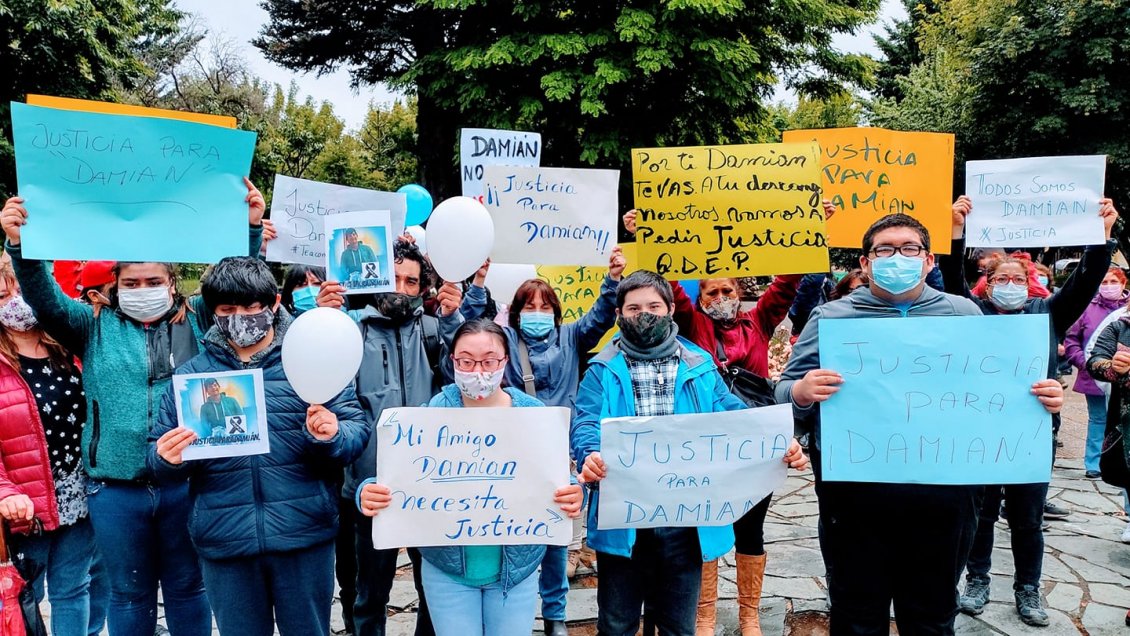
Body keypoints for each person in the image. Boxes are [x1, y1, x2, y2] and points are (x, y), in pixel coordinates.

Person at [776, 212, 1065, 634]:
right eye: (885, 250)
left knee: (930, 616)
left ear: (929, 260)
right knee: (856, 615)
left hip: (945, 499)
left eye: (909, 249)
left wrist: (1044, 398)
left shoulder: (963, 314)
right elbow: (783, 394)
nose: (898, 257)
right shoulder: (831, 317)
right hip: (855, 498)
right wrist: (800, 392)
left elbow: (1001, 389)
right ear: (865, 261)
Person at [1, 178, 266, 636]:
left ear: (171, 283)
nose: (143, 289)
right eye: (132, 282)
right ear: (116, 287)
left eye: (154, 281)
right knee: (128, 594)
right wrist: (20, 245)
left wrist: (250, 231)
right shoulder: (90, 325)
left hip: (186, 486)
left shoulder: (200, 319)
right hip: (114, 491)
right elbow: (43, 296)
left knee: (188, 588)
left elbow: (239, 286)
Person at [572, 270, 808, 636]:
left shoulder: (698, 365)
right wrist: (589, 454)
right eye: (633, 308)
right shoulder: (601, 369)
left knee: (679, 626)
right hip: (622, 524)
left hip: (684, 523)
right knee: (617, 624)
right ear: (618, 313)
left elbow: (729, 410)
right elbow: (586, 421)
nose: (644, 314)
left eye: (653, 305)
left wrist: (776, 439)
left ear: (670, 310)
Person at [149, 256, 368, 636]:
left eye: (253, 307)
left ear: (275, 303)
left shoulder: (311, 360)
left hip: (303, 534)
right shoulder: (191, 377)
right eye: (228, 309)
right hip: (225, 539)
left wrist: (332, 435)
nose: (242, 317)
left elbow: (355, 429)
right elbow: (157, 457)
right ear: (213, 313)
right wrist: (166, 458)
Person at [623, 206, 814, 635]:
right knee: (705, 522)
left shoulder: (760, 320)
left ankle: (749, 616)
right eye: (711, 293)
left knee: (751, 526)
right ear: (699, 298)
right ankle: (704, 614)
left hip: (755, 442)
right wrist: (650, 234)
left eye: (727, 291)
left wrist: (806, 229)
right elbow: (669, 278)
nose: (721, 299)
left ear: (739, 292)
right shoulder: (691, 324)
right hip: (706, 444)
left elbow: (787, 283)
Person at [945, 195, 1117, 627]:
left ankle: (1028, 588)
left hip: (1033, 429)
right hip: (978, 429)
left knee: (1028, 517)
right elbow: (951, 280)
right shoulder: (972, 312)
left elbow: (1086, 279)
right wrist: (955, 232)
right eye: (999, 277)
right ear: (987, 283)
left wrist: (1102, 237)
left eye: (1017, 278)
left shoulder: (1049, 313)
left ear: (1030, 283)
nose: (1009, 283)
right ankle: (978, 580)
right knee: (980, 512)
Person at [357, 318, 584, 636]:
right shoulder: (431, 414)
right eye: (466, 360)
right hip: (447, 572)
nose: (478, 370)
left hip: (515, 573)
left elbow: (560, 479)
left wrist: (575, 493)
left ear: (505, 361)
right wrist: (368, 492)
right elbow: (398, 475)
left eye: (489, 360)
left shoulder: (535, 415)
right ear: (453, 362)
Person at [459, 250, 625, 635]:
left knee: (554, 541)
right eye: (529, 306)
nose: (537, 311)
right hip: (510, 457)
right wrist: (479, 283)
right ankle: (505, 607)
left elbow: (601, 315)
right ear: (516, 312)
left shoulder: (571, 337)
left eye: (544, 305)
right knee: (510, 534)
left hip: (560, 456)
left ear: (555, 311)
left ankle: (555, 616)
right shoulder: (504, 342)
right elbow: (471, 331)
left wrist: (613, 279)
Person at [317, 239, 463, 636]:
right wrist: (324, 321)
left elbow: (465, 387)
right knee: (369, 593)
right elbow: (331, 395)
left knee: (433, 586)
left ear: (422, 288)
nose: (401, 287)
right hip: (371, 489)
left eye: (411, 281)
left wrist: (451, 320)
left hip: (430, 486)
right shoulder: (349, 330)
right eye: (393, 277)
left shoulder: (435, 330)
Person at [0, 262, 108, 636]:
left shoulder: (66, 342)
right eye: (2, 295)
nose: (15, 302)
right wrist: (5, 493)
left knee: (74, 589)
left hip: (78, 494)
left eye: (21, 292)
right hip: (22, 505)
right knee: (22, 595)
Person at [1064, 267, 1128, 479]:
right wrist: (1084, 362)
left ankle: (1112, 460)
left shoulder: (1124, 312)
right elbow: (1072, 339)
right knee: (1098, 418)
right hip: (1094, 377)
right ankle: (1094, 463)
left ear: (1123, 283)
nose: (1108, 286)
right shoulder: (1088, 309)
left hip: (1120, 387)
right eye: (1104, 281)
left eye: (1113, 281)